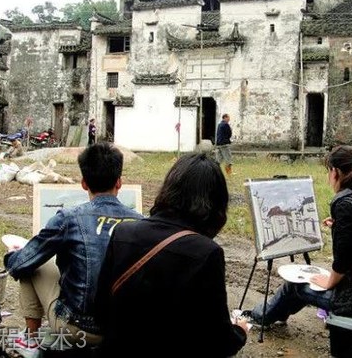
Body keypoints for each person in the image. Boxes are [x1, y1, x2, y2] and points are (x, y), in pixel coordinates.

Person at [94, 153, 248, 357]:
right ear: (216, 202)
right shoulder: (207, 252)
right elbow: (217, 341)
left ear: (168, 188)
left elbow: (101, 310)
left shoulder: (123, 233)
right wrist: (240, 331)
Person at [4, 142, 143, 356]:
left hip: (78, 327)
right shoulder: (142, 223)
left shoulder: (69, 218)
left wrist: (12, 256)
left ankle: (30, 341)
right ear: (119, 182)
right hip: (126, 329)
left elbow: (20, 265)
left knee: (31, 262)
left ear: (84, 183)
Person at [242, 145, 352, 325]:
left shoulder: (344, 205)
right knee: (305, 282)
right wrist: (339, 226)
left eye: (328, 172)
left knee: (295, 286)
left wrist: (329, 282)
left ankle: (260, 316)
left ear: (335, 172)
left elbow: (344, 259)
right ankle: (278, 313)